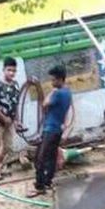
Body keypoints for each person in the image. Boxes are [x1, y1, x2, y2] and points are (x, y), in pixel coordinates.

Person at [27, 65, 72, 197]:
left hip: (50, 129)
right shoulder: (68, 92)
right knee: (51, 157)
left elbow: (44, 104)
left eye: (53, 80)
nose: (52, 83)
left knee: (39, 158)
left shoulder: (57, 93)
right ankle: (48, 181)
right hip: (57, 129)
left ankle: (40, 186)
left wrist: (52, 91)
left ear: (60, 80)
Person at [0, 57, 21, 181]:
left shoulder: (16, 85)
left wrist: (16, 121)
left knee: (8, 146)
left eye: (14, 71)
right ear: (4, 70)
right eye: (9, 70)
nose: (11, 73)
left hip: (10, 122)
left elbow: (16, 104)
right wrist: (4, 117)